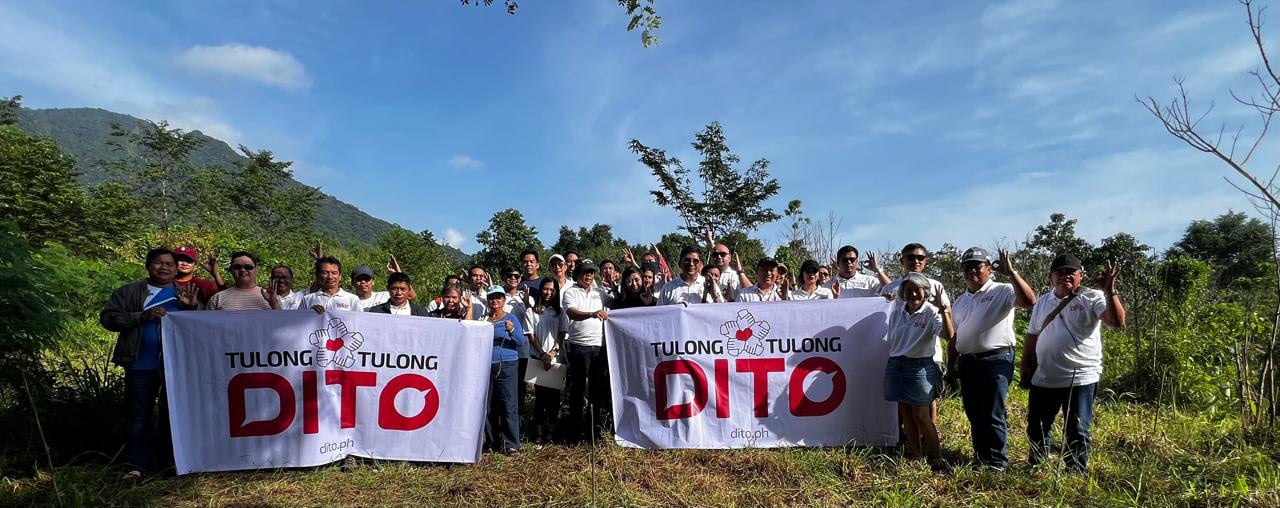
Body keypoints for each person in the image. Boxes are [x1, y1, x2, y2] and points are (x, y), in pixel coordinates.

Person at [100, 248, 199, 480]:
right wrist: (140, 317)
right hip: (139, 364)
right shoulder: (130, 292)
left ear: (176, 269)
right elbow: (108, 318)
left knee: (173, 415)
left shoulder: (185, 293)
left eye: (169, 264)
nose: (164, 267)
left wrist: (191, 308)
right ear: (148, 265)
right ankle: (135, 466)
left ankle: (168, 463)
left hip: (176, 367)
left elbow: (200, 327)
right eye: (158, 263)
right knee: (138, 416)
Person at [1022, 254, 1124, 472]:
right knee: (1037, 426)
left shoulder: (1093, 297)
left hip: (1080, 376)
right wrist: (1026, 365)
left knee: (1077, 428)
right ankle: (1038, 466)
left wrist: (1110, 290)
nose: (1064, 276)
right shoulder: (1043, 301)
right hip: (1045, 376)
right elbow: (1032, 335)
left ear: (1080, 276)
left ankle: (1074, 471)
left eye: (1071, 272)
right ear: (1051, 277)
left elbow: (1116, 322)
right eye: (1059, 272)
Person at [948, 247, 1036, 470]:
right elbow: (956, 336)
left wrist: (1012, 273)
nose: (972, 271)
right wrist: (951, 365)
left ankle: (997, 461)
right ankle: (981, 457)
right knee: (974, 412)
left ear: (988, 268)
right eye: (967, 267)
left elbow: (1028, 301)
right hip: (968, 362)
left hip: (995, 360)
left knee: (993, 412)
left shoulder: (1002, 290)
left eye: (977, 266)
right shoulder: (960, 302)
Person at [884, 272, 955, 473]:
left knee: (921, 416)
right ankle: (915, 453)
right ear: (903, 292)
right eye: (909, 290)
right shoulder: (897, 311)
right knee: (905, 413)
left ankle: (937, 457)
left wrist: (945, 312)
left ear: (925, 292)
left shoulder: (932, 312)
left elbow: (948, 335)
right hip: (896, 364)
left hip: (919, 367)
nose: (913, 293)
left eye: (917, 290)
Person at [561, 260, 610, 441]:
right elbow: (571, 313)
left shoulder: (600, 292)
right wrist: (592, 313)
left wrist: (613, 285)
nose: (588, 276)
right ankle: (574, 430)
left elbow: (618, 303)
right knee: (577, 390)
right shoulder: (570, 292)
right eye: (585, 273)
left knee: (597, 391)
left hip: (599, 347)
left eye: (591, 273)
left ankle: (594, 431)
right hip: (578, 347)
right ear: (577, 275)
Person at [484, 286, 526, 454]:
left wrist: (512, 330)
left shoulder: (511, 318)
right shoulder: (484, 320)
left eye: (498, 298)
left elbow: (520, 342)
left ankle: (511, 444)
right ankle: (492, 442)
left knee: (508, 404)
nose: (495, 301)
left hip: (507, 364)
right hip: (486, 365)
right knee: (489, 406)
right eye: (492, 298)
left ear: (504, 300)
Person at [525, 277, 566, 442]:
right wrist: (543, 354)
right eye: (545, 289)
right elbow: (530, 335)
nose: (548, 292)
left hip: (555, 360)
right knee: (540, 399)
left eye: (552, 290)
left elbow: (562, 333)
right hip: (537, 359)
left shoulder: (560, 312)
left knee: (554, 399)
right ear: (541, 290)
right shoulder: (531, 311)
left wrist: (552, 353)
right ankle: (539, 434)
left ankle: (551, 434)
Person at [208, 251, 282, 310]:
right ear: (231, 270)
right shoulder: (217, 298)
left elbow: (282, 324)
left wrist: (273, 303)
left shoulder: (272, 297)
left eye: (248, 267)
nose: (242, 270)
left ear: (257, 271)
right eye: (237, 267)